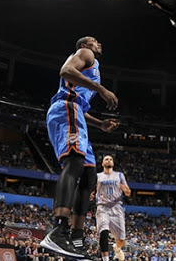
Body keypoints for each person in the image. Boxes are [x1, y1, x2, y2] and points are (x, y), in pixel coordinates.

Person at [40, 36, 119, 260]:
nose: (99, 43)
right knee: (74, 162)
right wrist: (101, 89)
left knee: (88, 175)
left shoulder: (92, 65)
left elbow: (80, 103)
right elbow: (65, 71)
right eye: (94, 41)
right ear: (84, 46)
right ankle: (58, 229)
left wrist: (99, 123)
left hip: (76, 113)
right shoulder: (86, 55)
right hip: (66, 107)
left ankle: (76, 238)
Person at [95, 155, 131, 261]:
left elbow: (128, 193)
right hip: (103, 207)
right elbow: (92, 190)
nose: (109, 160)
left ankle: (117, 247)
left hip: (117, 208)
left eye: (110, 159)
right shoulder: (97, 176)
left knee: (121, 240)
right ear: (102, 163)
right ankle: (105, 259)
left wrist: (125, 189)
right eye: (106, 159)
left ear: (113, 163)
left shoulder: (120, 175)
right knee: (104, 232)